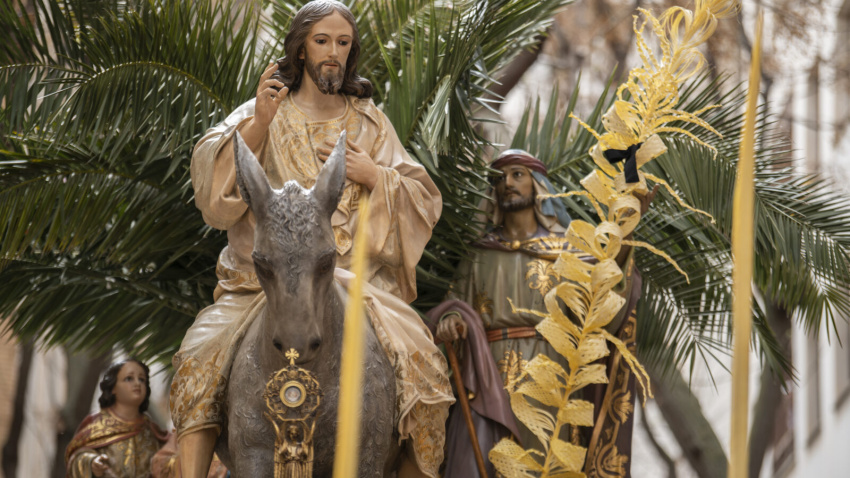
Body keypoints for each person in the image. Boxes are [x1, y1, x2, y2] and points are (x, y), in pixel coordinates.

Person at [170, 2, 453, 477]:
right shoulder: (264, 111)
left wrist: (376, 175)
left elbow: (423, 199)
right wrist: (258, 124)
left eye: (343, 43)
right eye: (323, 41)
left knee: (424, 365)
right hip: (262, 287)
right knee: (198, 357)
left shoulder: (369, 123)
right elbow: (214, 197)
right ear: (301, 48)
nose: (333, 53)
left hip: (350, 282)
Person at [432, 149, 653, 477]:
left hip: (549, 374)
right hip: (487, 371)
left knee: (544, 461)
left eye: (517, 174)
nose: (507, 182)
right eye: (499, 178)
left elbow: (604, 293)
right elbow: (456, 306)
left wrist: (628, 226)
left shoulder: (568, 252)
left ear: (538, 185)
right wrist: (451, 321)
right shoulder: (478, 255)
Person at [65, 359, 169, 478]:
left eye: (142, 379)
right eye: (129, 378)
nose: (137, 383)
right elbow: (77, 457)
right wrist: (91, 462)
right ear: (113, 387)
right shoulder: (97, 426)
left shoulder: (152, 431)